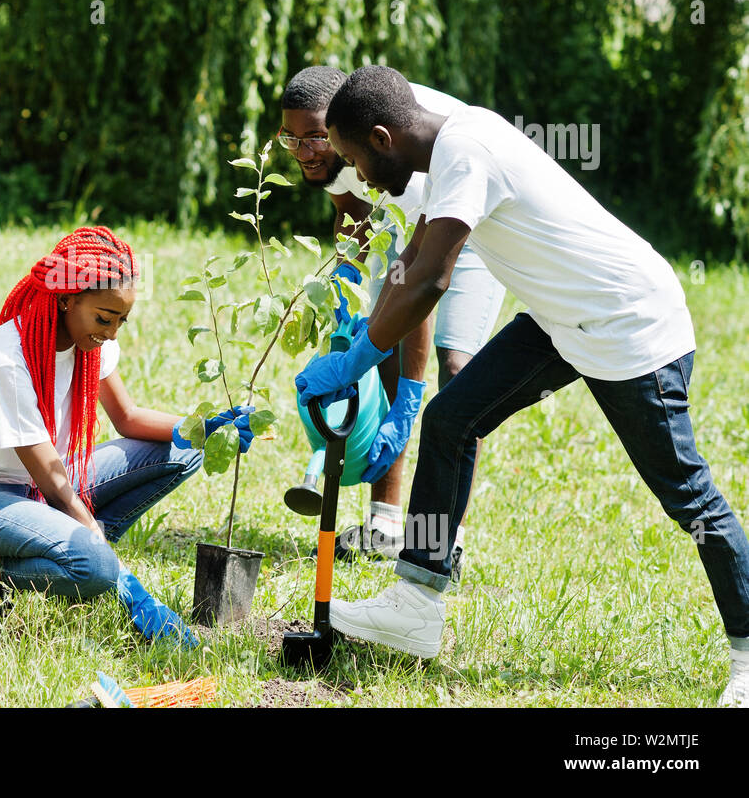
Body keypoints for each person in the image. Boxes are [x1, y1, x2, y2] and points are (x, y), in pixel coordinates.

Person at [296, 65, 749, 707]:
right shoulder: (437, 158)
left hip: (628, 323)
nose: (358, 179)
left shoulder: (467, 152)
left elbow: (430, 281)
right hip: (560, 317)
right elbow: (406, 266)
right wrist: (359, 345)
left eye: (353, 160)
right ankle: (417, 601)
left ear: (381, 136)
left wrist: (358, 361)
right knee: (452, 419)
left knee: (689, 497)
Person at [0, 227, 254, 643]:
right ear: (67, 298)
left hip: (35, 491)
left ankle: (71, 542)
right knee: (94, 568)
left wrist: (204, 429)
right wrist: (111, 561)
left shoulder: (91, 343)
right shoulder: (10, 358)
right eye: (104, 318)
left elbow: (128, 418)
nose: (112, 332)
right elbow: (49, 475)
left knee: (182, 451)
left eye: (121, 321)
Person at [279, 66, 506, 578]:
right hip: (411, 232)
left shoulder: (395, 152)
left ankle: (445, 538)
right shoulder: (325, 147)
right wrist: (344, 288)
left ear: (344, 129)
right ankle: (384, 525)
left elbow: (422, 285)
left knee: (455, 369)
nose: (305, 151)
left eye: (316, 138)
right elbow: (352, 214)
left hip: (479, 228)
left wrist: (407, 396)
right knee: (376, 348)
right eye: (291, 139)